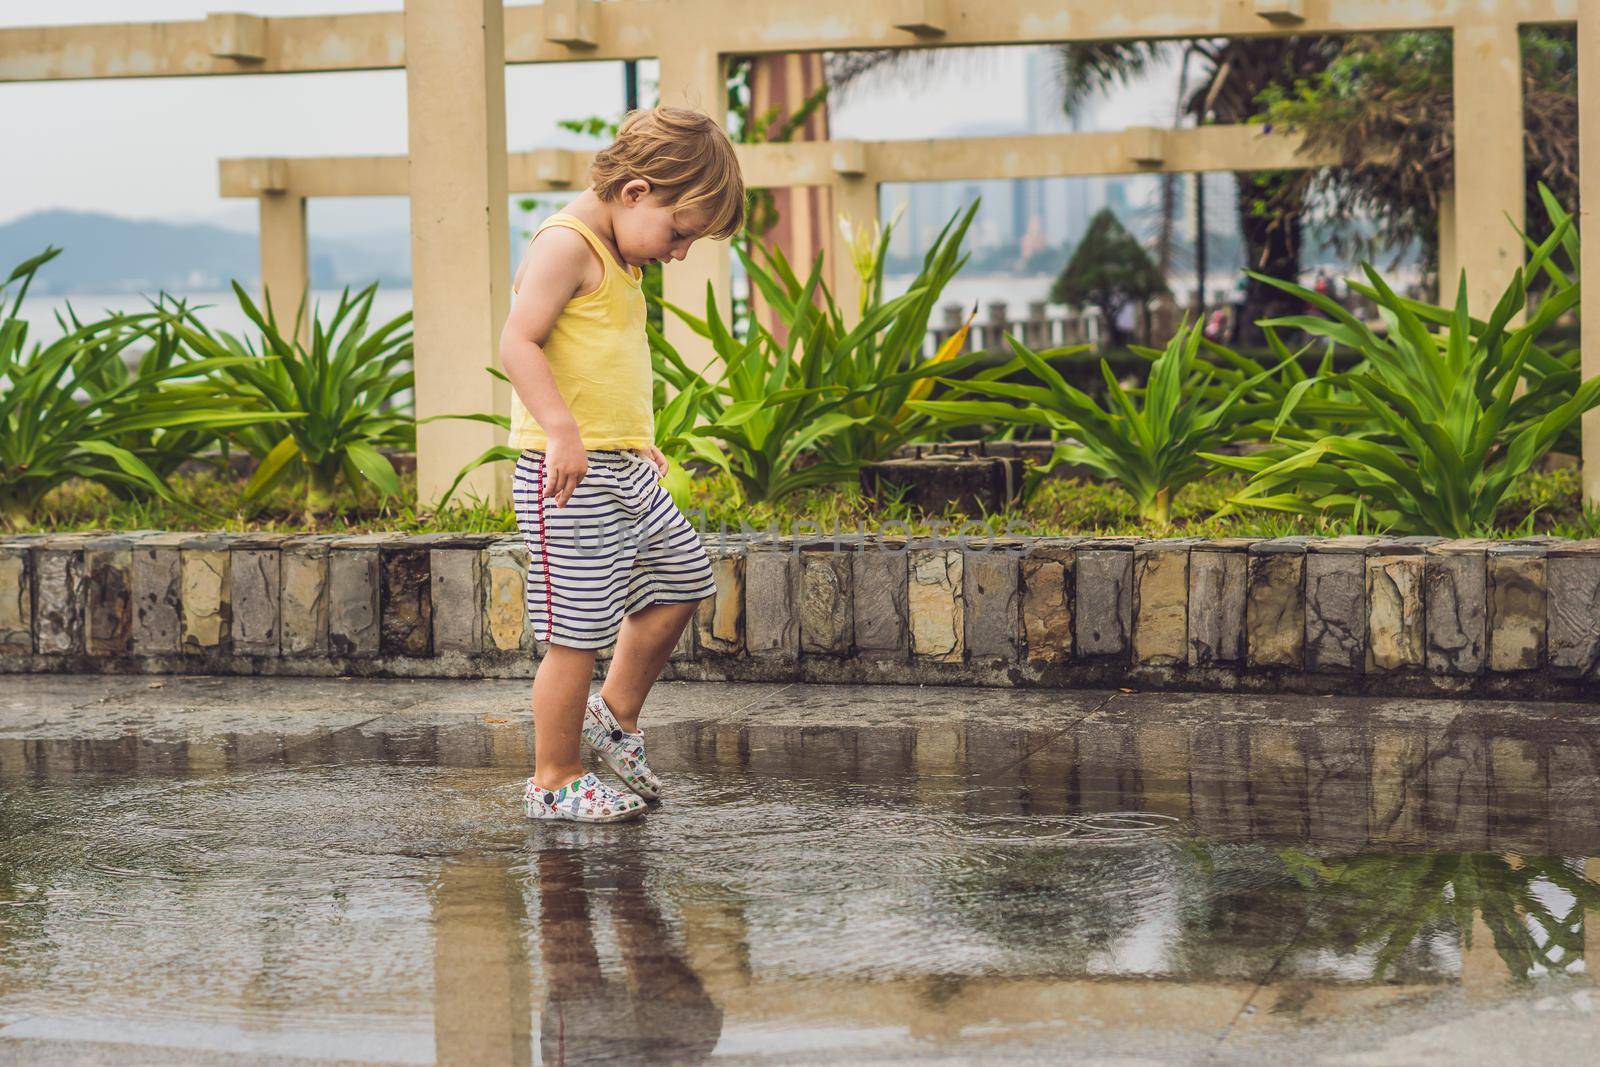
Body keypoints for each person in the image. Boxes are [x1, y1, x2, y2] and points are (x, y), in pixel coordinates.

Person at [500, 106, 745, 823]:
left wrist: (628, 434)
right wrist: (562, 430)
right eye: (680, 233)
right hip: (567, 474)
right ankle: (555, 777)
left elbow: (599, 359)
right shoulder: (564, 244)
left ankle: (615, 714)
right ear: (636, 192)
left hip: (618, 463)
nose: (679, 253)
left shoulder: (619, 253)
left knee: (682, 578)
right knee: (575, 633)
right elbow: (518, 343)